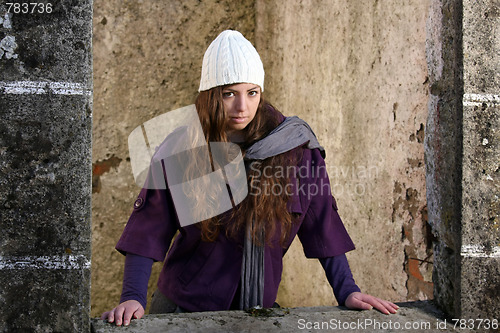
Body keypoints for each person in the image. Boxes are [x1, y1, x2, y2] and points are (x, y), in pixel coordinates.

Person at [102, 30, 399, 326]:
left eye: (252, 92)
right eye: (229, 93)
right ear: (210, 95)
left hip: (256, 314)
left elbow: (322, 222)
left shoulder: (296, 148)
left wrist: (347, 290)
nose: (242, 106)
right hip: (182, 308)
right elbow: (148, 228)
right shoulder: (180, 150)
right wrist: (132, 296)